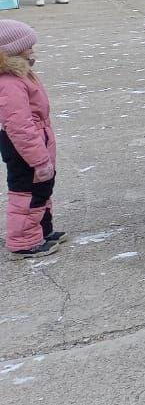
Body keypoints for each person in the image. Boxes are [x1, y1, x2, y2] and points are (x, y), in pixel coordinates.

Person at [0, 20, 64, 259]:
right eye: (28, 48)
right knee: (27, 192)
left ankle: (41, 230)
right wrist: (38, 159)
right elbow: (19, 127)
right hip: (25, 147)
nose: (33, 52)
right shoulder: (10, 83)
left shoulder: (21, 74)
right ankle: (23, 241)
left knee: (42, 187)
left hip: (39, 139)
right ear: (13, 52)